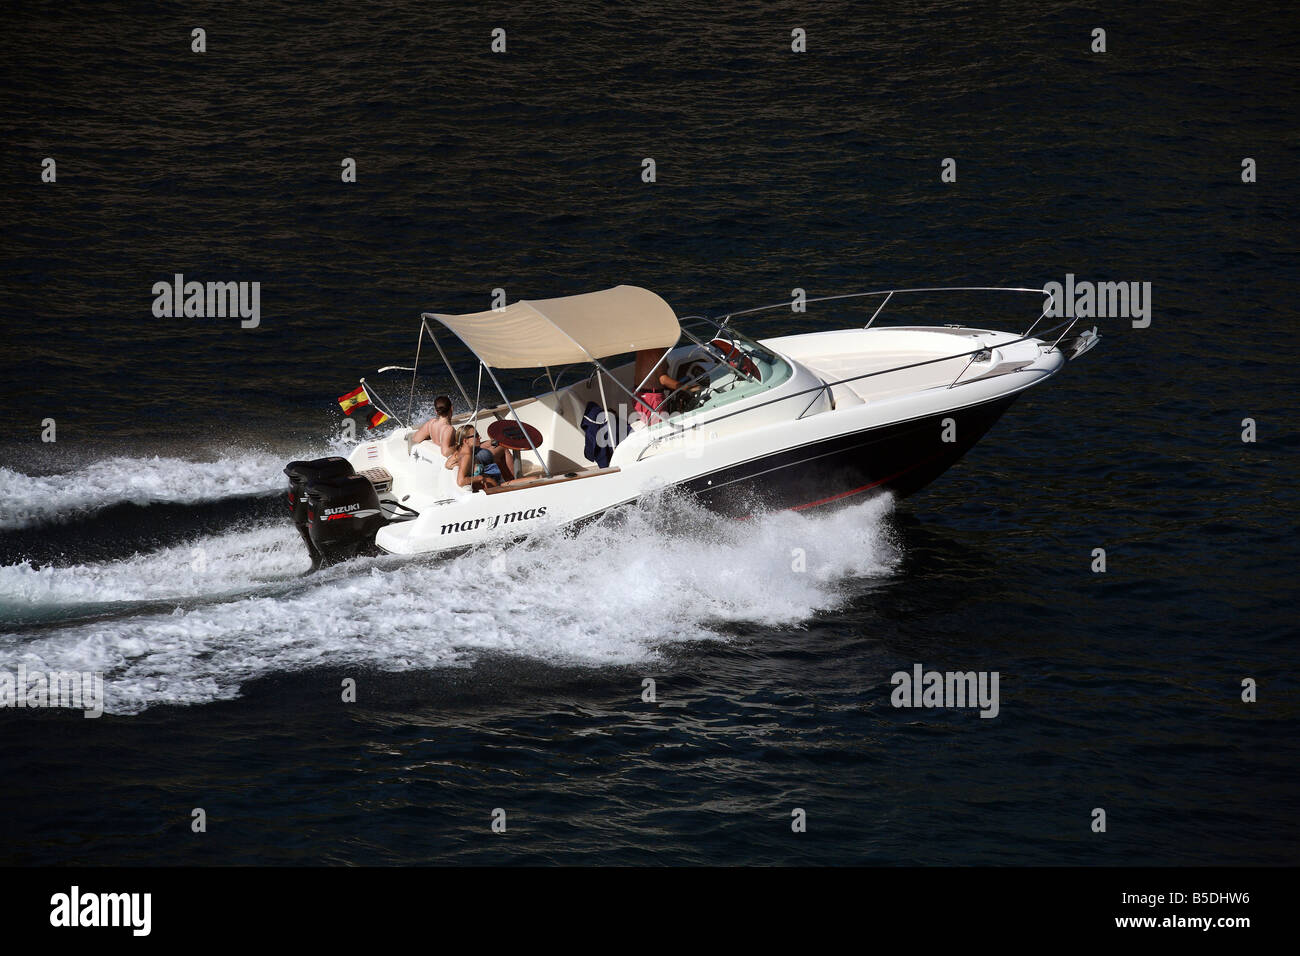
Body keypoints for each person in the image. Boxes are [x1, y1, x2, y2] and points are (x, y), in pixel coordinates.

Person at [445, 425, 501, 491]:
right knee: (502, 448)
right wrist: (481, 478)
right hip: (490, 490)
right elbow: (461, 481)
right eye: (476, 436)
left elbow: (447, 464)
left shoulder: (459, 451)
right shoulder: (467, 456)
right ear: (465, 441)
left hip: (488, 485)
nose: (480, 437)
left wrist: (458, 465)